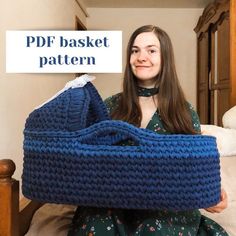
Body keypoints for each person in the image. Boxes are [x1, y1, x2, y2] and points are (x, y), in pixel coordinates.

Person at [68, 25, 228, 236]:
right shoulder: (110, 106)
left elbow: (196, 167)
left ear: (165, 58)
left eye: (151, 50)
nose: (141, 57)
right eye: (135, 51)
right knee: (95, 224)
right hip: (112, 200)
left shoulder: (184, 111)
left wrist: (211, 193)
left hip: (166, 203)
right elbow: (87, 159)